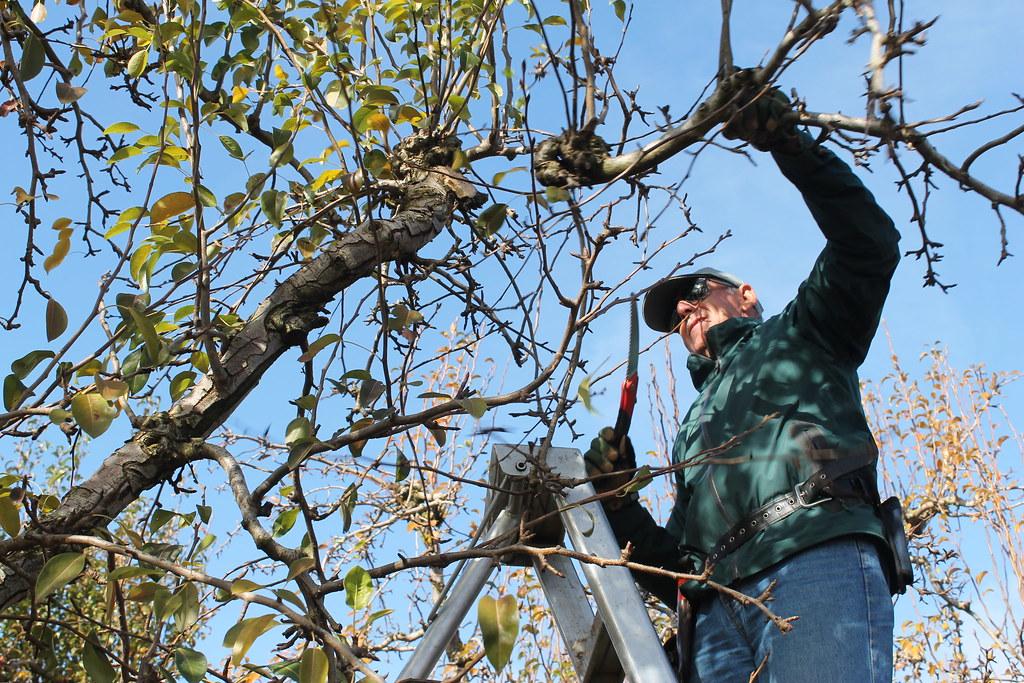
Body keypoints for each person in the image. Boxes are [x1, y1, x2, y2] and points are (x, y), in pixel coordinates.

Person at [585, 87, 906, 682]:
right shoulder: (692, 429)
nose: (684, 306)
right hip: (713, 614)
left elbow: (868, 245)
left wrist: (786, 143)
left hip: (815, 556)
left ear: (746, 295)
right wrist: (615, 503)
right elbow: (676, 564)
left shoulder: (804, 332)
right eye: (674, 311)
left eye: (696, 292)